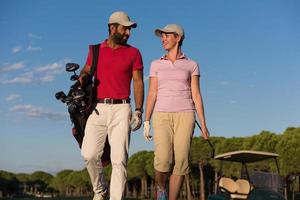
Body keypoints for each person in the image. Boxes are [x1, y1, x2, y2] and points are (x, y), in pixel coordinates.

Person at [79, 11, 144, 200]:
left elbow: (138, 82)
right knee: (89, 154)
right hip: (97, 108)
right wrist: (82, 78)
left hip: (122, 109)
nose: (128, 33)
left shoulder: (134, 53)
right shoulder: (95, 50)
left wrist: (139, 110)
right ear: (112, 27)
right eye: (125, 29)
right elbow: (86, 70)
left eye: (130, 30)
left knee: (119, 160)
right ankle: (100, 191)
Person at [143, 24, 209, 200]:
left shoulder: (192, 65)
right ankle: (161, 188)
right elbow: (152, 92)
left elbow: (196, 93)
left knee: (181, 163)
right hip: (162, 115)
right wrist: (146, 120)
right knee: (163, 161)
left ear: (178, 38)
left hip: (186, 114)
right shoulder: (156, 64)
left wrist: (203, 124)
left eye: (166, 36)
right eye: (161, 36)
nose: (163, 39)